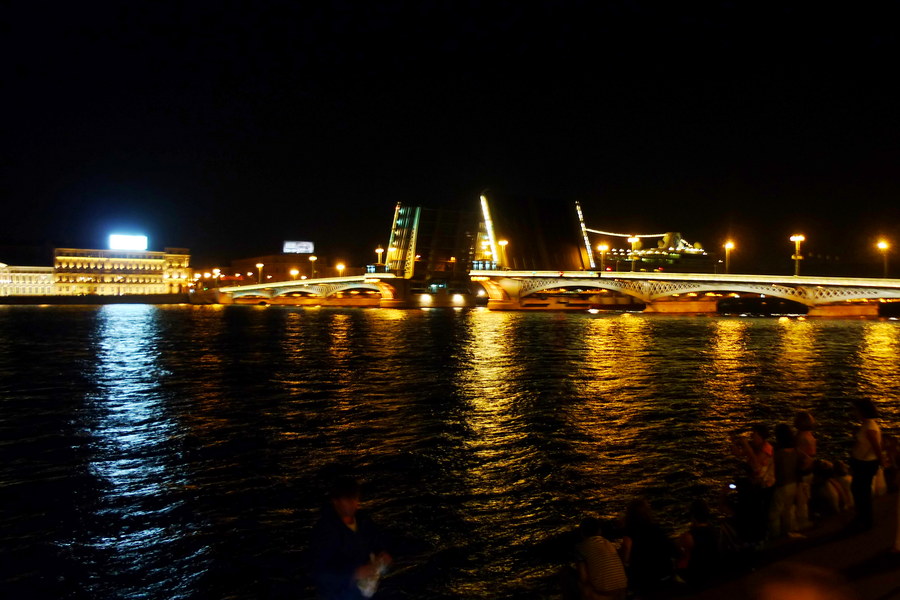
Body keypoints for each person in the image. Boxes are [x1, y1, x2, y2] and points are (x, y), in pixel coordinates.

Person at [310, 477, 392, 599]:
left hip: (364, 594)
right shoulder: (324, 531)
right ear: (335, 501)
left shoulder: (364, 522)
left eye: (355, 498)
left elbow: (377, 544)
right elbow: (318, 573)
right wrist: (353, 573)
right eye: (347, 499)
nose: (353, 503)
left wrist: (383, 555)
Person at [620, 499, 680, 598]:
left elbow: (626, 554)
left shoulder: (631, 532)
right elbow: (674, 550)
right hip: (665, 576)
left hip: (646, 581)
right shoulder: (657, 529)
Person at [731, 424, 775, 544]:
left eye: (754, 435)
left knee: (762, 513)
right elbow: (739, 454)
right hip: (756, 486)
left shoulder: (767, 448)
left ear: (761, 437)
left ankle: (766, 537)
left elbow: (756, 463)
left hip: (766, 487)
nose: (752, 438)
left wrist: (746, 446)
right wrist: (734, 444)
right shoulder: (755, 447)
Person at [849, 398, 885, 531]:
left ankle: (865, 519)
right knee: (860, 491)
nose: (854, 412)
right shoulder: (868, 425)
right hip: (864, 462)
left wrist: (881, 461)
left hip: (864, 464)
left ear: (862, 411)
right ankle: (863, 517)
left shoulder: (869, 427)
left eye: (855, 409)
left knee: (861, 492)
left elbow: (876, 446)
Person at [575, 517, 628, 600]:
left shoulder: (581, 547)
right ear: (599, 531)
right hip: (622, 593)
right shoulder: (609, 543)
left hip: (603, 596)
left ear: (582, 533)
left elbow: (583, 577)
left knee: (567, 574)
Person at [769, 423, 801, 539]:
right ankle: (788, 532)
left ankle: (775, 536)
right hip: (793, 483)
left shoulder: (778, 454)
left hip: (782, 485)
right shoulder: (795, 451)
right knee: (788, 510)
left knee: (775, 513)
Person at [793, 411, 817, 529]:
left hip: (802, 472)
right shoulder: (808, 436)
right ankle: (803, 520)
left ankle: (802, 522)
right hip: (806, 471)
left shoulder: (802, 437)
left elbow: (808, 457)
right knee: (804, 497)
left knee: (802, 499)